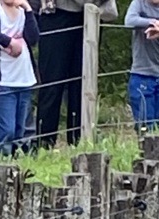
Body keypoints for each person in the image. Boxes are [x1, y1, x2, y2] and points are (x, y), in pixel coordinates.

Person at [36, 0, 116, 148]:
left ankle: (80, 141)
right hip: (57, 14)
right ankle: (45, 144)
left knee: (84, 82)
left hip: (92, 14)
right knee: (52, 83)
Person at [0, 0, 38, 157]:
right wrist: (8, 41)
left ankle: (17, 164)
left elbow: (33, 38)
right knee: (6, 130)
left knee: (21, 129)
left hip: (24, 77)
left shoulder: (23, 11)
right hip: (3, 79)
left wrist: (29, 10)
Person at [124, 0, 159, 132]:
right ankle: (145, 152)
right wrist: (158, 22)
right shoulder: (139, 4)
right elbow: (129, 21)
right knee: (145, 125)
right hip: (142, 74)